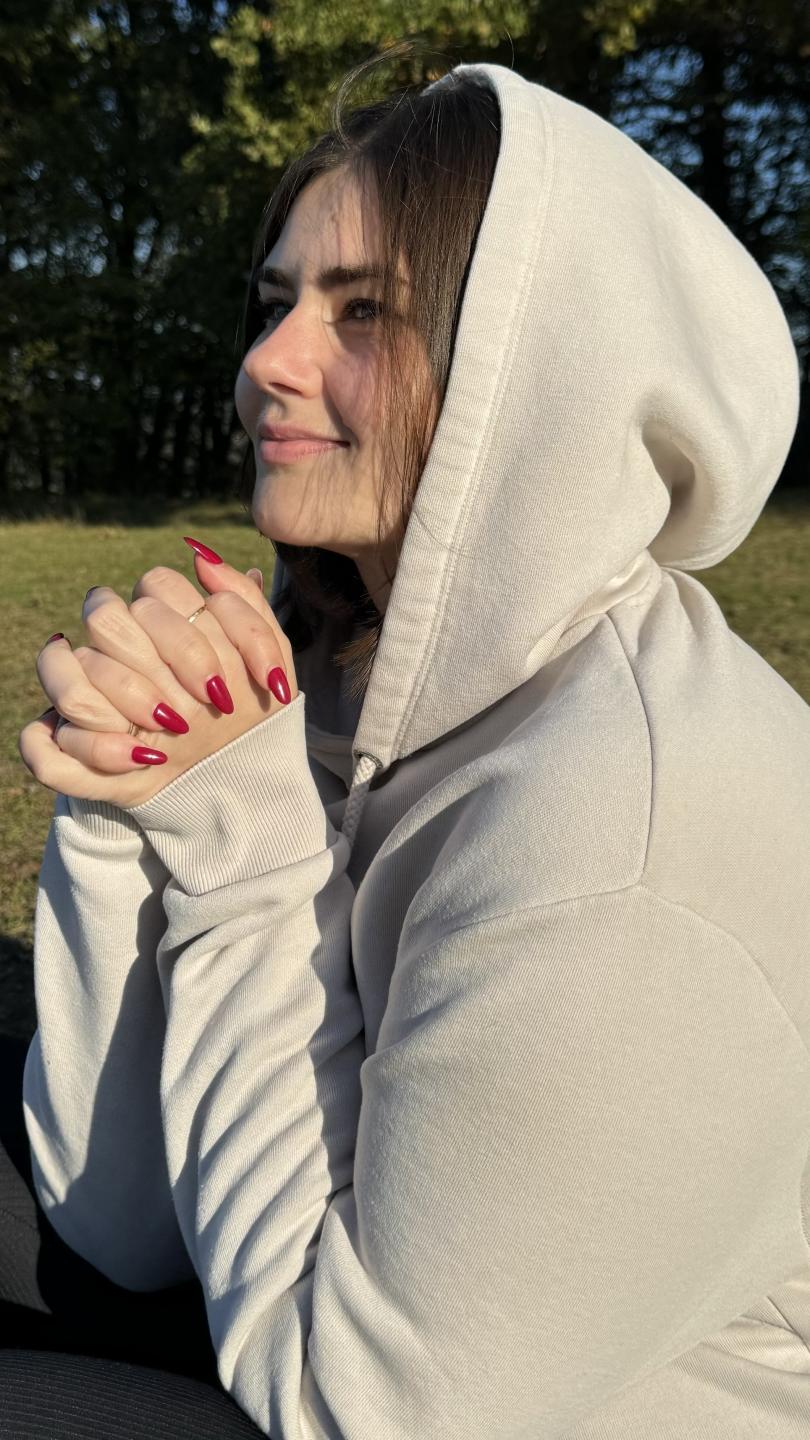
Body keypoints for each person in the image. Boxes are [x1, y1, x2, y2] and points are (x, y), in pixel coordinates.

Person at [9, 38, 810, 1440]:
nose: (266, 363)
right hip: (293, 1289)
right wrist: (134, 795)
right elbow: (118, 1223)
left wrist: (243, 851)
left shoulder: (625, 849)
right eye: (276, 303)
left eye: (364, 311)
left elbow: (362, 1413)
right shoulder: (344, 666)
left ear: (539, 374)